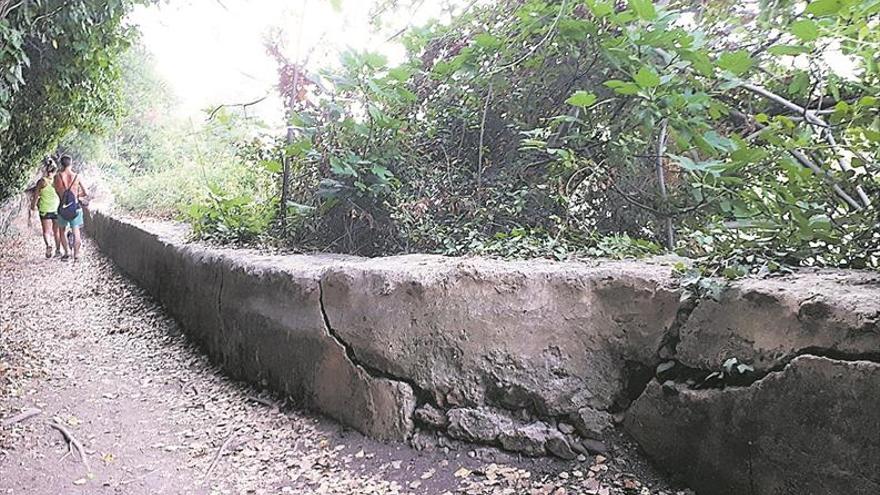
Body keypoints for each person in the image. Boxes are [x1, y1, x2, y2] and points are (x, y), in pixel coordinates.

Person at [53, 155, 89, 261]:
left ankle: (67, 253)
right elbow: (86, 192)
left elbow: (57, 192)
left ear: (61, 164)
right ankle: (76, 254)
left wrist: (64, 197)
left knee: (62, 230)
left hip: (62, 207)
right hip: (75, 207)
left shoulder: (57, 177)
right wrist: (76, 196)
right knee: (76, 230)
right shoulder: (77, 176)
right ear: (71, 163)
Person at [28, 158, 63, 258]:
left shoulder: (42, 181)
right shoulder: (58, 181)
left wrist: (33, 206)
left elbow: (36, 196)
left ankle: (48, 245)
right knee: (56, 231)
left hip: (45, 209)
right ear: (55, 170)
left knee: (46, 231)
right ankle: (58, 250)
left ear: (45, 170)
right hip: (56, 209)